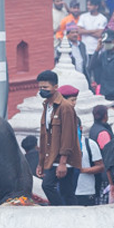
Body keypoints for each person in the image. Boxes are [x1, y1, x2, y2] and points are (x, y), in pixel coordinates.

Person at [35, 70, 82, 206]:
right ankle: (70, 213)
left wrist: (63, 162)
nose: (42, 90)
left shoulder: (65, 107)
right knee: (67, 192)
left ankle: (61, 211)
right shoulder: (47, 106)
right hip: (52, 157)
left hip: (63, 159)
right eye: (40, 88)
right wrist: (41, 162)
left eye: (45, 87)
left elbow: (68, 136)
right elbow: (45, 137)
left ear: (55, 87)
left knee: (48, 185)